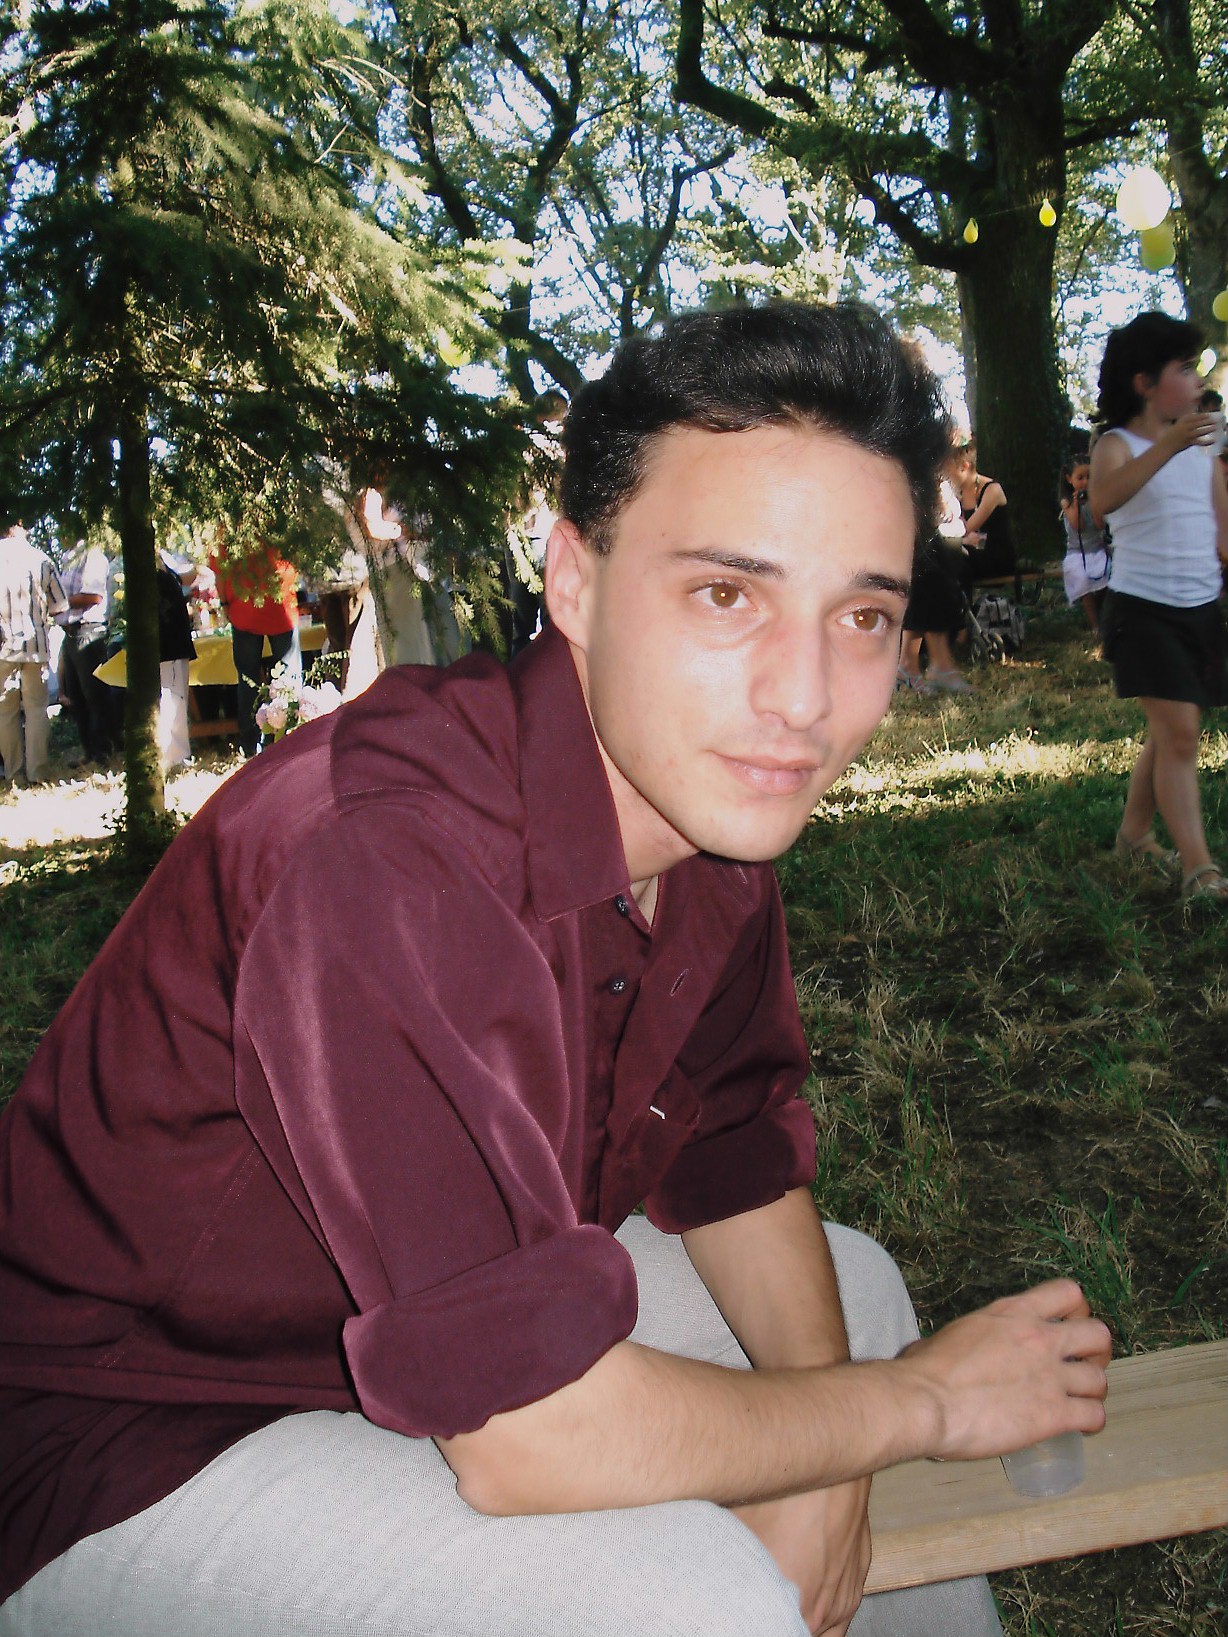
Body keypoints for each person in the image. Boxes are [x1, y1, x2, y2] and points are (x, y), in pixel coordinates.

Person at [0, 302, 1112, 1637]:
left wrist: (828, 1457)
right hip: (126, 1435)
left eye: (863, 616)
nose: (805, 698)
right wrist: (915, 1404)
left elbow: (735, 1160)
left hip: (400, 1331)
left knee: (855, 1291)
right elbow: (530, 1432)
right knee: (690, 1601)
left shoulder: (706, 828)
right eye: (727, 594)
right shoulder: (386, 853)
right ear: (573, 579)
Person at [1089, 311, 1228, 904]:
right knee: (1181, 734)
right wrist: (1170, 444)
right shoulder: (1116, 445)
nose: (1198, 380)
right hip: (1144, 612)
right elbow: (1104, 501)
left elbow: (1221, 526)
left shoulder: (1204, 448)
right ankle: (1199, 869)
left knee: (1171, 729)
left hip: (1200, 609)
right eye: (1185, 369)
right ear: (1145, 383)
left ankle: (1134, 834)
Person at [211, 543, 302, 758]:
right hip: (281, 605)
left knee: (247, 680)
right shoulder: (279, 526)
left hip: (244, 608)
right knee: (289, 676)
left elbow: (221, 572)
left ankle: (250, 744)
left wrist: (225, 604)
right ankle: (291, 737)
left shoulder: (228, 530)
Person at [898, 449, 975, 694]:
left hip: (927, 525)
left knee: (930, 587)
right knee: (930, 585)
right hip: (919, 521)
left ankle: (914, 666)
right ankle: (931, 666)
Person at [0, 521, 68, 787]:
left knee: (5, 713)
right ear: (22, 528)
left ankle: (14, 774)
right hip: (36, 645)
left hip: (3, 646)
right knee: (37, 710)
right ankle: (37, 772)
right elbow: (60, 605)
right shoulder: (41, 559)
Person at [56, 536, 120, 767]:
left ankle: (104, 752)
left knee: (94, 695)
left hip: (89, 631)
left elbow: (93, 596)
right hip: (70, 632)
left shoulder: (92, 556)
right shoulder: (69, 559)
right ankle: (90, 752)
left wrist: (58, 601)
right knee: (76, 696)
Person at [1059, 450, 1111, 637]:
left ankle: (1107, 617)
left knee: (1107, 572)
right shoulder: (1066, 502)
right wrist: (1076, 504)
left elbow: (1100, 525)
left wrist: (1094, 502)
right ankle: (1095, 625)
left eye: (1089, 477)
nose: (1085, 482)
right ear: (1069, 479)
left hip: (1098, 549)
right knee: (1081, 578)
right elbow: (1077, 526)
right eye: (1080, 478)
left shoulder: (1097, 498)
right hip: (1077, 552)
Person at [955, 440, 1014, 586]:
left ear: (964, 467)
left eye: (947, 468)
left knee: (952, 559)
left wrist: (960, 541)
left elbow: (964, 529)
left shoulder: (992, 490)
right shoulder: (955, 493)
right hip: (971, 552)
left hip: (995, 557)